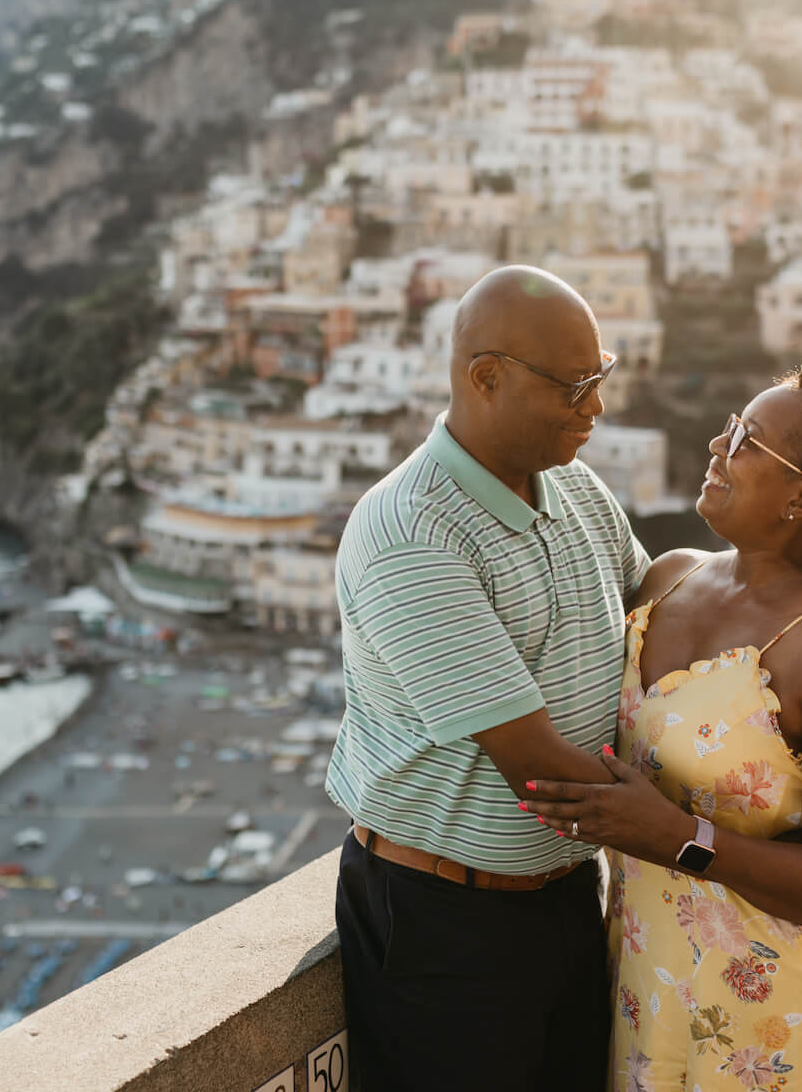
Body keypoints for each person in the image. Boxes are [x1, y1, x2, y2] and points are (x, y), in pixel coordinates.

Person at [520, 366, 802, 1091]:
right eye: (730, 424)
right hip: (644, 986)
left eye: (747, 439)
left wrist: (677, 837)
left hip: (767, 1023)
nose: (719, 444)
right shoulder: (668, 578)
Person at [325, 265, 650, 1091]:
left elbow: (653, 620)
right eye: (574, 387)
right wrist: (723, 842)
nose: (596, 408)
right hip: (444, 922)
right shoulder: (410, 530)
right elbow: (538, 772)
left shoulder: (575, 486)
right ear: (486, 377)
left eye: (600, 377)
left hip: (565, 893)